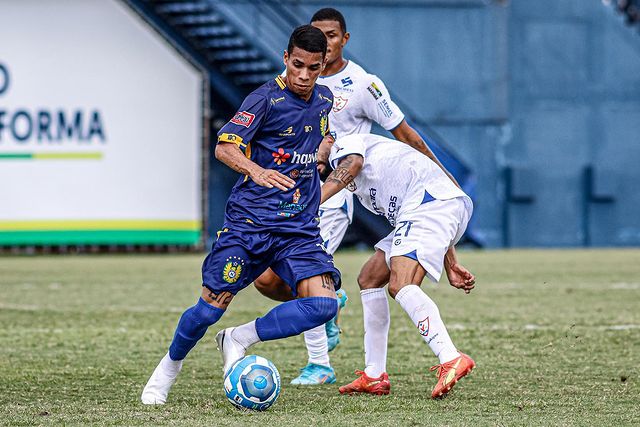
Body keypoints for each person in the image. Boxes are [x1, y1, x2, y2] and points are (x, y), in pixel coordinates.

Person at [254, 7, 460, 386]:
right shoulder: (296, 81)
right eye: (317, 36)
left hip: (334, 194)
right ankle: (337, 315)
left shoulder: (363, 84)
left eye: (331, 36)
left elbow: (405, 134)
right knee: (271, 278)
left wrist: (443, 180)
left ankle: (319, 363)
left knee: (306, 271)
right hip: (296, 189)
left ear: (344, 39)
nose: (324, 44)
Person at [141, 25, 341, 405]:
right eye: (297, 65)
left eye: (313, 68)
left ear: (323, 65)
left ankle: (240, 337)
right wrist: (257, 170)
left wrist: (321, 155)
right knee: (207, 311)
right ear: (285, 58)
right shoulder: (264, 99)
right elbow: (224, 147)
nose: (303, 75)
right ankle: (168, 368)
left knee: (324, 305)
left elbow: (317, 137)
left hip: (298, 229)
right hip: (249, 225)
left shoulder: (325, 100)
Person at [318, 133, 476, 399]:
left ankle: (450, 357)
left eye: (314, 152)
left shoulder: (344, 145)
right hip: (428, 209)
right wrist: (451, 262)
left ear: (328, 137)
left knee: (402, 284)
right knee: (369, 278)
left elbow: (354, 162)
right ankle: (374, 375)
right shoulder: (356, 180)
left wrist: (310, 204)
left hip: (431, 206)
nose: (315, 162)